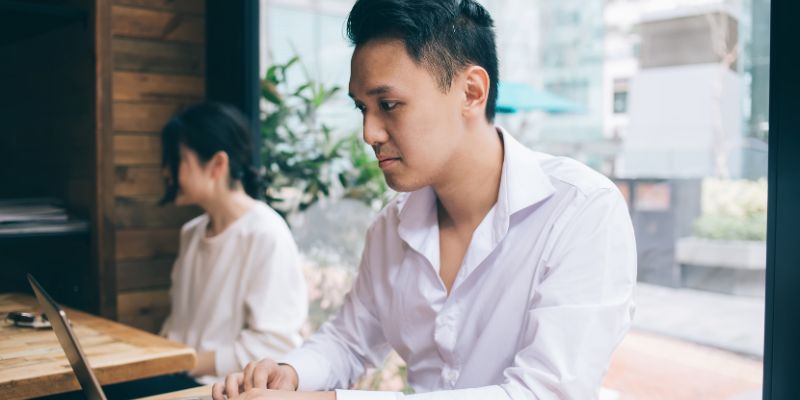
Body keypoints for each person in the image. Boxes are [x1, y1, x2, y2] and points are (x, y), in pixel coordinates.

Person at [214, 0, 636, 398]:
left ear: (471, 92)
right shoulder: (391, 227)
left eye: (390, 104)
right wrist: (289, 374)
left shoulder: (581, 210)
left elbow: (545, 393)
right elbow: (347, 341)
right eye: (363, 108)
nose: (369, 133)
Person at [158, 102, 308, 385]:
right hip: (176, 376)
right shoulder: (191, 232)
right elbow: (177, 326)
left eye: (176, 161)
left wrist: (183, 363)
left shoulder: (266, 233)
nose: (166, 172)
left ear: (217, 165)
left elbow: (275, 345)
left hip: (222, 388)